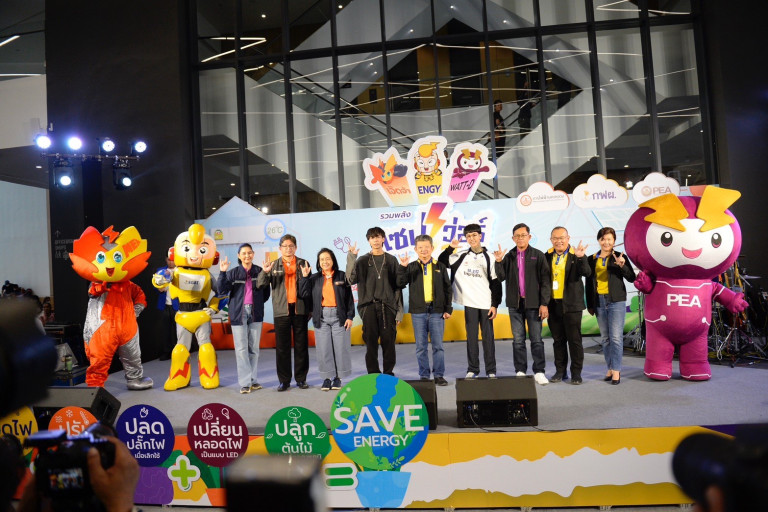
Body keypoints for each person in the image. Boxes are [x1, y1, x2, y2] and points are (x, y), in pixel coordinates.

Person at [152, 223, 222, 391]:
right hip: (183, 315)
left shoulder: (207, 275)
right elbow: (160, 279)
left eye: (202, 250)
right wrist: (159, 279)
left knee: (205, 347)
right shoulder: (175, 272)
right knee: (180, 349)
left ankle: (209, 375)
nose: (195, 255)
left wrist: (213, 307)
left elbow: (222, 293)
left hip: (201, 314)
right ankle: (179, 377)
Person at [439, 223, 502, 379]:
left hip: (486, 304)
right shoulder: (461, 256)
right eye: (468, 236)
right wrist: (450, 248)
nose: (471, 238)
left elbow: (496, 283)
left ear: (480, 236)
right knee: (471, 338)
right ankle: (473, 369)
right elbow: (442, 262)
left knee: (488, 339)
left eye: (474, 235)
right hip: (469, 303)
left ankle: (491, 370)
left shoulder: (490, 257)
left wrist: (494, 305)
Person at [493, 223, 551, 385]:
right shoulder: (509, 256)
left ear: (529, 237)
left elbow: (545, 281)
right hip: (515, 305)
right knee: (518, 340)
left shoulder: (538, 255)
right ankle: (520, 371)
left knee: (536, 340)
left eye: (523, 235)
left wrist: (544, 303)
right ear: (513, 238)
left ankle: (539, 371)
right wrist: (498, 261)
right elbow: (501, 277)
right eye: (517, 236)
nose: (520, 238)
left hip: (534, 304)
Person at [257, 234, 311, 391]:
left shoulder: (303, 263)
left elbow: (309, 287)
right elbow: (260, 285)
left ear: (296, 247)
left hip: (300, 309)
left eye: (291, 246)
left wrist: (310, 309)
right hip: (281, 311)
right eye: (285, 246)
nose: (288, 249)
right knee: (282, 348)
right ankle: (284, 381)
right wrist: (265, 272)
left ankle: (301, 379)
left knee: (301, 346)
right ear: (280, 248)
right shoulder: (273, 265)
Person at [346, 227, 403, 375]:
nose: (375, 240)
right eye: (372, 238)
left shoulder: (391, 260)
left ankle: (388, 373)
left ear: (383, 239)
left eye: (378, 237)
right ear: (369, 241)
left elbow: (397, 287)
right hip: (368, 307)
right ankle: (373, 373)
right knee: (371, 343)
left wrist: (399, 311)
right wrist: (351, 257)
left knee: (388, 342)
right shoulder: (362, 260)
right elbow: (350, 279)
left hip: (388, 307)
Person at [397, 234, 452, 386]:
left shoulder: (440, 266)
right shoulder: (411, 267)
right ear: (416, 249)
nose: (424, 250)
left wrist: (448, 309)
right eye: (420, 247)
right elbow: (400, 283)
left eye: (426, 247)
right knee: (421, 347)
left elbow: (448, 289)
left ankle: (439, 375)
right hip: (418, 312)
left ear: (432, 248)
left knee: (438, 346)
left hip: (437, 311)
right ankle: (424, 375)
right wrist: (402, 267)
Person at [585, 227, 636, 385]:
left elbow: (632, 278)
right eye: (603, 239)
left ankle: (616, 370)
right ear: (599, 240)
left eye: (609, 239)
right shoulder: (592, 259)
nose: (606, 242)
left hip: (616, 301)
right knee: (605, 338)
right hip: (599, 301)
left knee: (615, 338)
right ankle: (610, 367)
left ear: (614, 241)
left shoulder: (620, 257)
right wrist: (590, 304)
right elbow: (588, 283)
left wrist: (622, 266)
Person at [218, 243, 271, 394]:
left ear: (253, 254)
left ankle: (253, 380)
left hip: (255, 313)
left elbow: (266, 293)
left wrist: (257, 303)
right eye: (244, 253)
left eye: (249, 253)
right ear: (239, 256)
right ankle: (245, 383)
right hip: (238, 314)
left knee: (254, 349)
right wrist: (222, 272)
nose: (247, 255)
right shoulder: (233, 273)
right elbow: (222, 290)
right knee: (241, 349)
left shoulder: (259, 271)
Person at [298, 248, 354, 391]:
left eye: (327, 258)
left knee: (341, 348)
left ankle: (338, 378)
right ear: (319, 262)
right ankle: (327, 378)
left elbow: (349, 298)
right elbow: (303, 294)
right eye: (322, 259)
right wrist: (304, 278)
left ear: (333, 260)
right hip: (321, 316)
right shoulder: (314, 278)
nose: (325, 262)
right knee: (324, 349)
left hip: (339, 316)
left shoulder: (341, 276)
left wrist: (350, 316)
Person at [545, 226, 590, 384]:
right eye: (555, 238)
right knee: (558, 341)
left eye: (561, 238)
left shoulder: (576, 254)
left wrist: (581, 257)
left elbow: (587, 272)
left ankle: (576, 373)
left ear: (568, 238)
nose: (559, 241)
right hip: (553, 305)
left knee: (574, 341)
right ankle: (560, 371)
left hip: (572, 305)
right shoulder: (546, 256)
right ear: (551, 240)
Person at [155, 254, 178, 361]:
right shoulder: (160, 271)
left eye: (173, 260)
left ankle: (178, 352)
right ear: (165, 259)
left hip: (178, 305)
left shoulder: (181, 271)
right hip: (164, 305)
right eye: (169, 260)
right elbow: (155, 286)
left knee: (178, 331)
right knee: (165, 330)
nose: (171, 262)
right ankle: (166, 352)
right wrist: (159, 288)